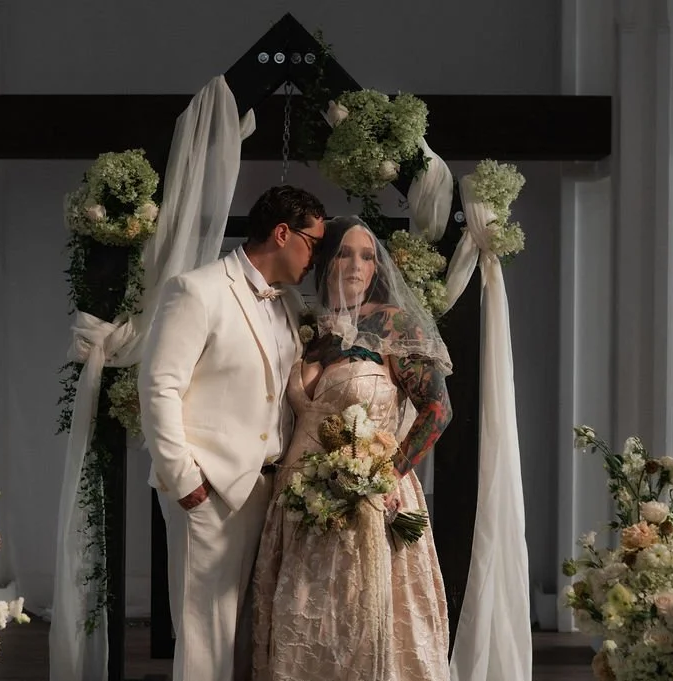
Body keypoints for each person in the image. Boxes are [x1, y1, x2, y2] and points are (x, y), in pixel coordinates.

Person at [251, 216, 453, 681]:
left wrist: (388, 476)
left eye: (367, 255)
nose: (356, 265)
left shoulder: (395, 326)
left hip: (371, 500)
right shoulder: (311, 330)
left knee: (364, 621)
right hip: (299, 498)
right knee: (305, 619)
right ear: (324, 261)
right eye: (344, 253)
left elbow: (438, 412)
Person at [138, 185, 327, 681]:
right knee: (205, 641)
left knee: (249, 634)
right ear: (282, 233)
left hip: (267, 488)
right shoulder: (195, 290)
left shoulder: (287, 304)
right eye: (313, 242)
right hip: (210, 490)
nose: (316, 257)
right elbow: (158, 388)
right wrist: (187, 484)